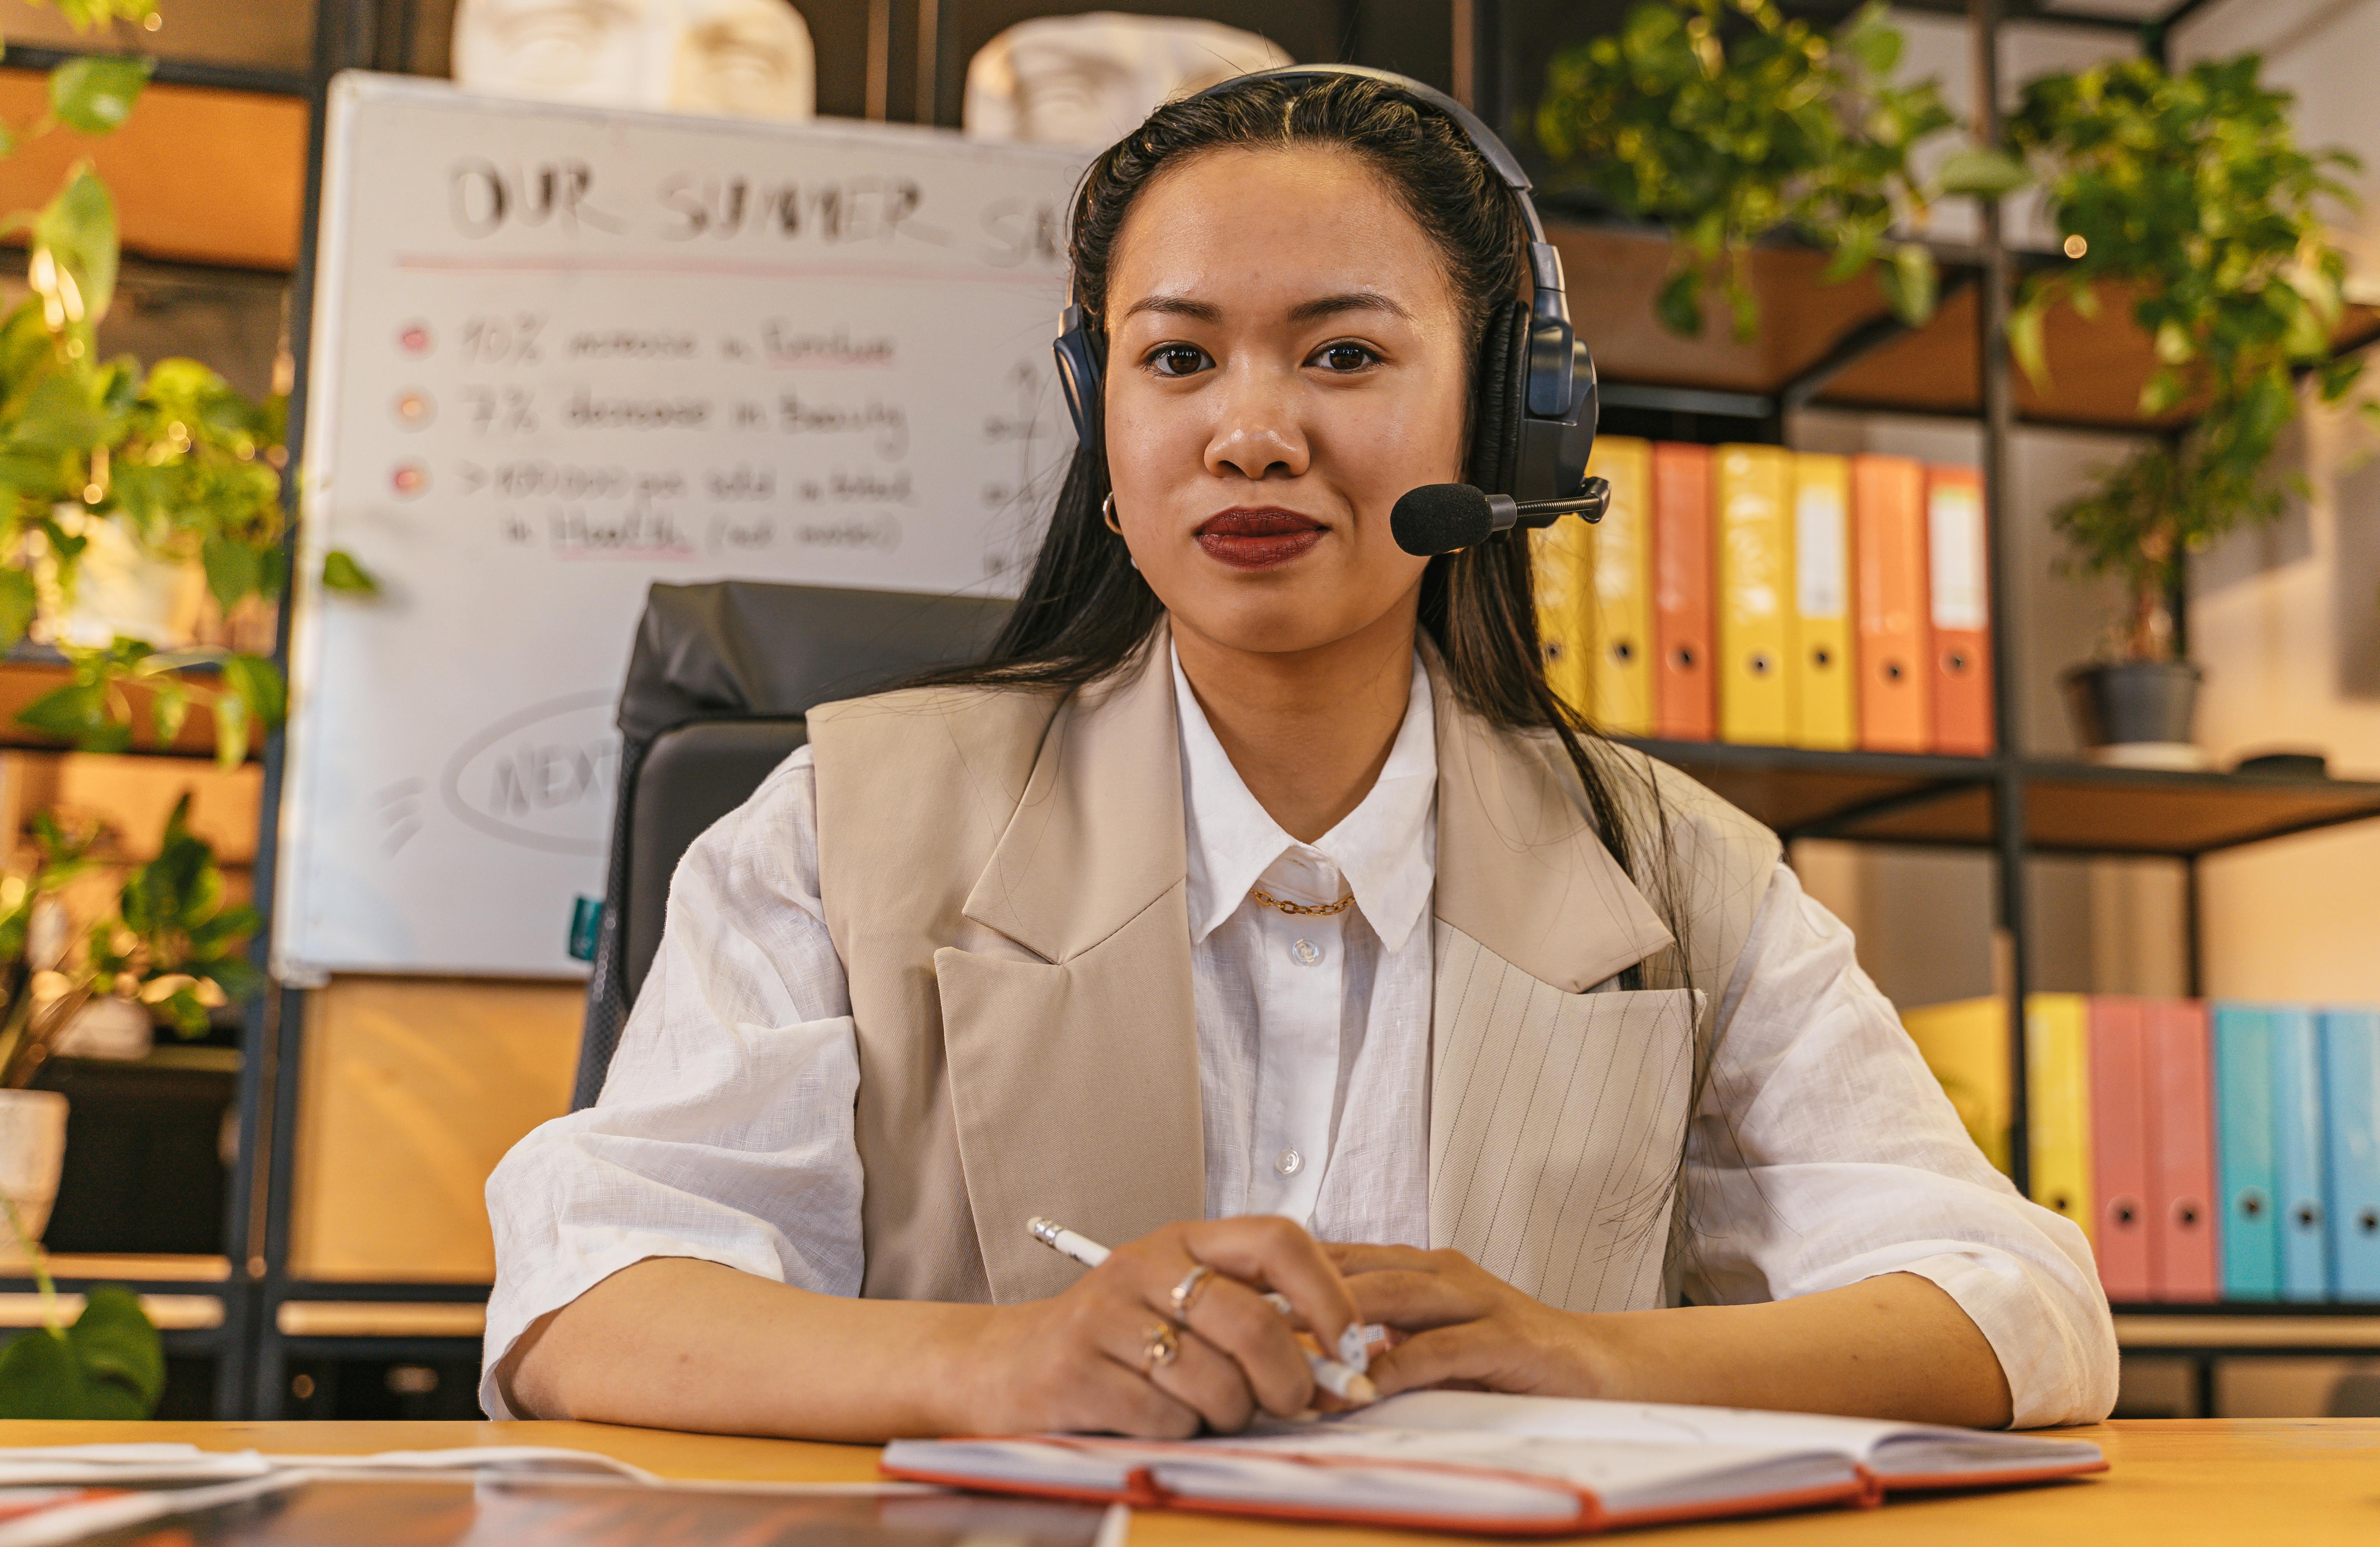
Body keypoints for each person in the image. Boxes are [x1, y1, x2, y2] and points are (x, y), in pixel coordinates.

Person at [480, 70, 2117, 1441]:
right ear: (1102, 428)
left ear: (1500, 425)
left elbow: (2026, 1309)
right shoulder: (841, 827)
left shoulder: (1678, 875)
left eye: (1343, 354)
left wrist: (1583, 1355)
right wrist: (1005, 1359)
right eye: (1177, 358)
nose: (1250, 431)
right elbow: (582, 1296)